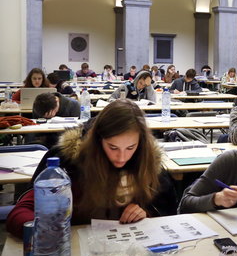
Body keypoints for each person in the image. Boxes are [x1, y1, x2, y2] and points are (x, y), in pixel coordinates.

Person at [6, 100, 177, 239]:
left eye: (130, 148)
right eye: (113, 147)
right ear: (98, 141)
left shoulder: (148, 165)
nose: (121, 157)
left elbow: (168, 213)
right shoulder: (68, 163)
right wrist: (49, 231)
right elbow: (20, 213)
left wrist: (145, 214)